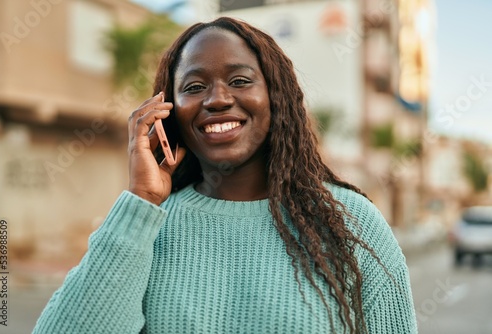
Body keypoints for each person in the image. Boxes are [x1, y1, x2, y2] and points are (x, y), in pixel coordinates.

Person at [33, 17, 417, 334]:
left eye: (239, 80)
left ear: (276, 98)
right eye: (194, 87)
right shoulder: (147, 226)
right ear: (169, 111)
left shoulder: (349, 222)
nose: (217, 99)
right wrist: (141, 201)